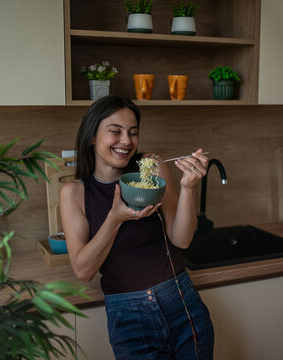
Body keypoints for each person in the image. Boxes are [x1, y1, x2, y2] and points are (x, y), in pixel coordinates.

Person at [60, 95, 215, 359]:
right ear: (92, 137)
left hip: (180, 299)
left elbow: (181, 240)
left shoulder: (152, 168)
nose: (126, 141)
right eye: (115, 132)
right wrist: (115, 217)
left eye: (133, 133)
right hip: (129, 317)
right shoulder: (74, 192)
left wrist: (188, 188)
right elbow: (83, 270)